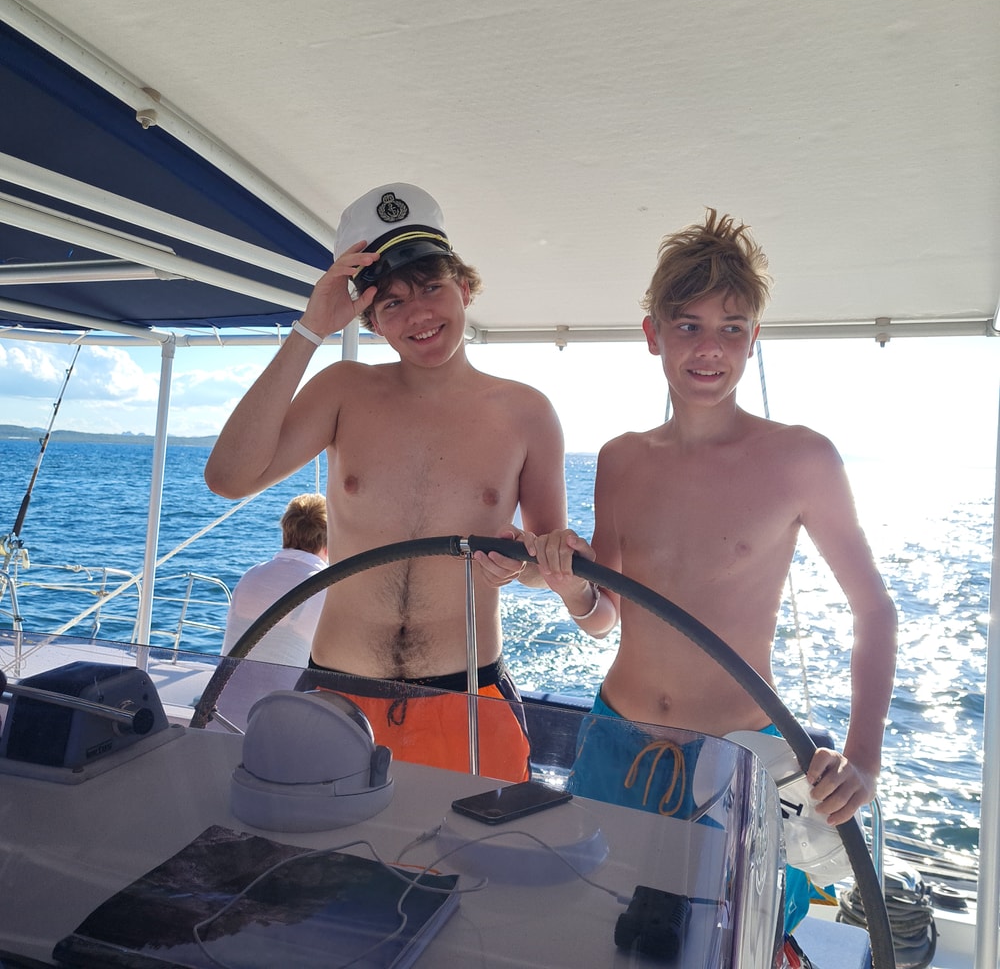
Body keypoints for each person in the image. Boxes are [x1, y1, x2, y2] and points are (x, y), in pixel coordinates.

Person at [526, 208, 897, 933]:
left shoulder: (802, 458)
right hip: (615, 738)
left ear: (754, 339)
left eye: (731, 328)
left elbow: (874, 610)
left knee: (723, 941)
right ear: (653, 335)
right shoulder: (620, 459)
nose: (709, 348)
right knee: (595, 929)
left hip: (733, 759)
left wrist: (863, 758)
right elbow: (606, 616)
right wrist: (572, 590)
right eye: (688, 325)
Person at [205, 183, 566, 781]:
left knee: (474, 847)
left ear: (465, 287)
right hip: (337, 697)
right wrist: (310, 328)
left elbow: (545, 565)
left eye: (431, 287)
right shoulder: (343, 390)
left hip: (468, 700)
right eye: (392, 302)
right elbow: (228, 477)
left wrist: (520, 563)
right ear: (370, 319)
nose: (418, 314)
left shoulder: (527, 413)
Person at [221, 493, 328, 667]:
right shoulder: (324, 589)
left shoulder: (251, 575)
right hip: (280, 686)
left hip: (225, 683)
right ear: (328, 543)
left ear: (285, 532)